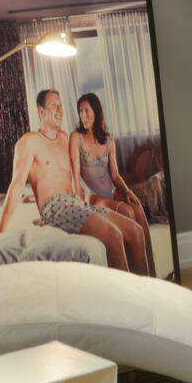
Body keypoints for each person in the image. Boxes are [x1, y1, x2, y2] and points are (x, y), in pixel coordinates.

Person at [0, 89, 150, 274]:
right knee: (113, 235)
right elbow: (16, 186)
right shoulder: (29, 141)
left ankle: (150, 287)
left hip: (76, 203)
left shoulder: (64, 138)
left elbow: (71, 176)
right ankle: (126, 291)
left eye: (61, 105)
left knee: (135, 231)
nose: (60, 110)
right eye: (54, 105)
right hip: (55, 207)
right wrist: (0, 231)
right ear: (41, 111)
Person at [69, 92, 157, 276]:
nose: (83, 116)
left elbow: (115, 175)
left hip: (111, 192)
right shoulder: (76, 137)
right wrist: (79, 203)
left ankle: (151, 274)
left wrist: (128, 191)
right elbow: (75, 175)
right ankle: (134, 273)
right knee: (127, 213)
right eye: (80, 111)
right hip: (93, 197)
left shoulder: (108, 140)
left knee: (138, 210)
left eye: (87, 111)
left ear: (96, 111)